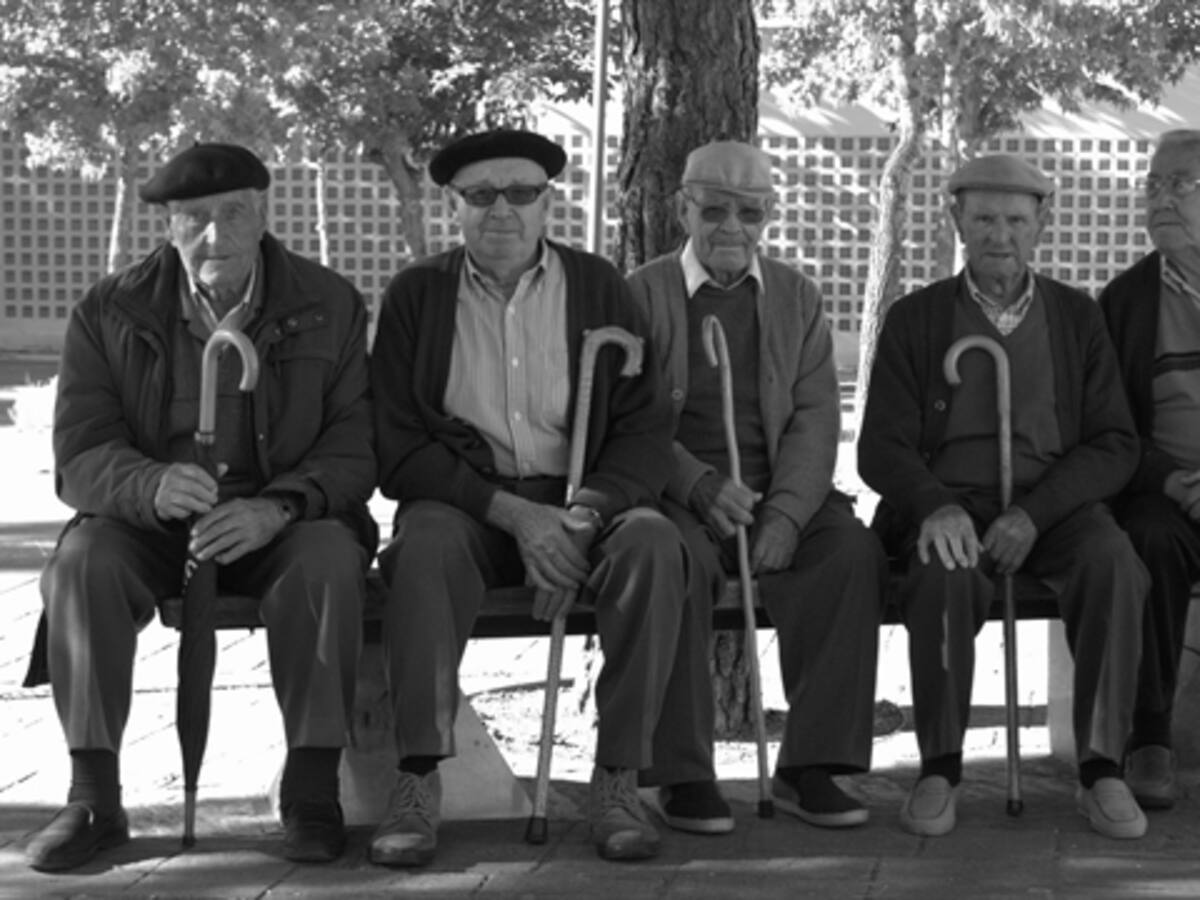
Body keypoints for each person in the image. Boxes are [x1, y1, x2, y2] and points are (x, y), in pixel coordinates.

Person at [21, 143, 378, 870]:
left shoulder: (328, 301)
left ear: (262, 213)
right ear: (169, 224)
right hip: (154, 521)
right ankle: (93, 796)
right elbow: (82, 451)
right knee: (81, 565)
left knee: (328, 559)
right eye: (194, 219)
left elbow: (353, 447)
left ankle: (312, 791)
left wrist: (277, 507)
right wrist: (150, 485)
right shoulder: (110, 308)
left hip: (280, 519)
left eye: (233, 214)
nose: (215, 235)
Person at [368, 128, 687, 865]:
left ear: (548, 204)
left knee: (652, 545)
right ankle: (416, 781)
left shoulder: (600, 285)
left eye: (520, 193)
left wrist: (579, 520)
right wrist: (515, 517)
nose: (500, 210)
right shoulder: (418, 295)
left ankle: (618, 778)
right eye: (480, 196)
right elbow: (399, 443)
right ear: (455, 207)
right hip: (468, 503)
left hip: (585, 500)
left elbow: (643, 426)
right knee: (420, 550)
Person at [858, 154, 1149, 840]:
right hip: (951, 504)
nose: (1000, 234)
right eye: (984, 217)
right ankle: (940, 766)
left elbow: (1114, 442)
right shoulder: (916, 318)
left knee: (1115, 564)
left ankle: (1102, 768)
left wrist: (1035, 513)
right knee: (944, 572)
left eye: (1017, 220)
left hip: (1055, 509)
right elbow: (881, 447)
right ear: (955, 219)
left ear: (1041, 225)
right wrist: (934, 504)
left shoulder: (1078, 317)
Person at [625, 140, 886, 834]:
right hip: (675, 494)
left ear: (769, 214)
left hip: (779, 492)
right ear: (683, 209)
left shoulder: (797, 295)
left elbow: (816, 416)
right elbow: (626, 420)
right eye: (714, 209)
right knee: (672, 561)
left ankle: (812, 768)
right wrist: (699, 483)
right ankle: (681, 774)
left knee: (849, 556)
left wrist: (789, 516)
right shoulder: (640, 293)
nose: (732, 227)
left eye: (750, 211)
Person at [1099, 129, 1200, 811]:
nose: (1161, 199)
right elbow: (1111, 430)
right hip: (1167, 491)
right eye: (1153, 185)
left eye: (1181, 184)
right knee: (1151, 541)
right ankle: (1150, 736)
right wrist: (1178, 483)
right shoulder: (1125, 303)